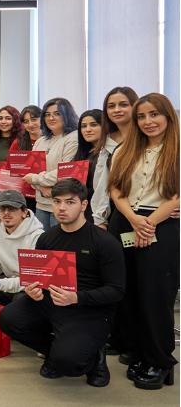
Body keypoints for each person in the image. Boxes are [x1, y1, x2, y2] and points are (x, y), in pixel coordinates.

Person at [0, 179, 125, 388]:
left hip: (87, 307)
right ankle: (55, 353)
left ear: (84, 205)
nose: (62, 208)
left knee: (70, 363)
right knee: (8, 319)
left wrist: (76, 297)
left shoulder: (105, 242)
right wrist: (33, 290)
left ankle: (94, 358)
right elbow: (38, 279)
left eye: (70, 202)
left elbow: (116, 291)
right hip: (52, 299)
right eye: (57, 202)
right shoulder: (46, 239)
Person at [108, 93, 179, 389]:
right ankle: (139, 351)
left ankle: (160, 361)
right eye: (141, 116)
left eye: (154, 114)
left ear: (168, 116)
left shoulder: (177, 150)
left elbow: (176, 197)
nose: (148, 121)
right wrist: (134, 219)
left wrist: (148, 224)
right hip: (126, 220)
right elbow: (116, 189)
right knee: (129, 292)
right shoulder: (125, 150)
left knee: (155, 294)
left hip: (162, 224)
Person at [26, 97, 79, 228]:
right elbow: (30, 172)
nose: (51, 118)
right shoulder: (41, 140)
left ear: (67, 115)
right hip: (41, 203)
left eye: (57, 113)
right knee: (41, 240)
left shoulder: (74, 138)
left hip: (63, 204)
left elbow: (65, 172)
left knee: (60, 240)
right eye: (47, 114)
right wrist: (41, 187)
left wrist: (36, 179)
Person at [91, 87, 138, 228]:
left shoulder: (147, 138)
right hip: (116, 211)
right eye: (111, 106)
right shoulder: (107, 140)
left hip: (145, 210)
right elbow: (101, 183)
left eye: (123, 105)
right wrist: (100, 218)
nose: (117, 110)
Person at [0, 106, 23, 215]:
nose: (3, 121)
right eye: (0, 118)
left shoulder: (22, 142)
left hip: (15, 194)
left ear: (15, 120)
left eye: (8, 118)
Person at [74, 110, 103, 222]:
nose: (88, 130)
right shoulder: (83, 152)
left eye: (94, 125)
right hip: (82, 207)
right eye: (83, 126)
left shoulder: (109, 153)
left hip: (100, 209)